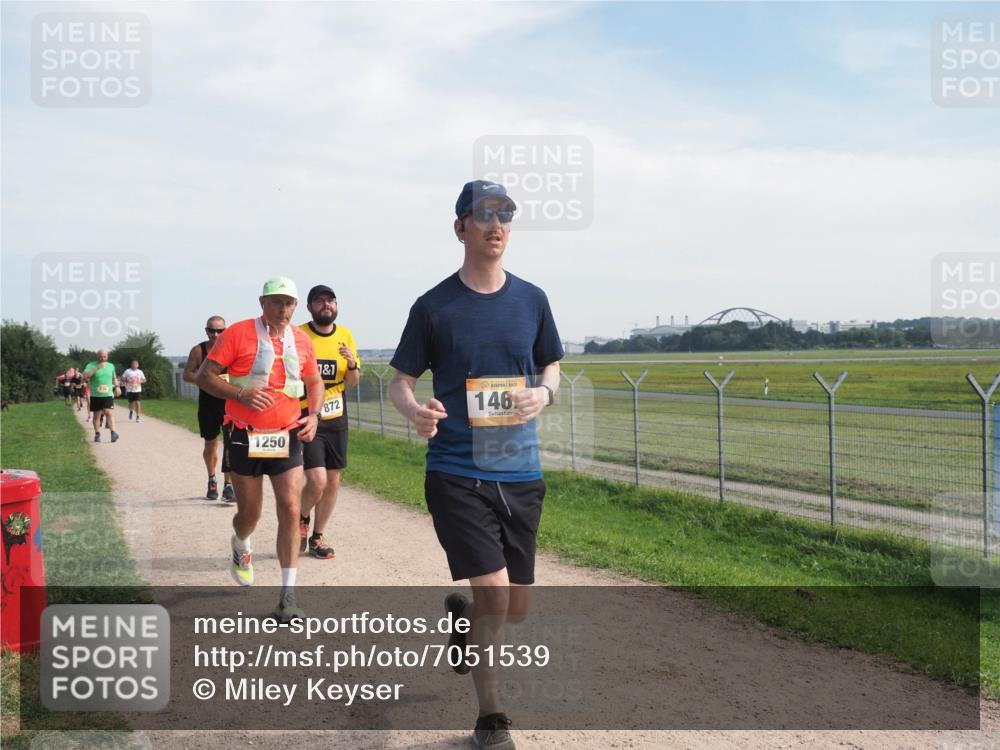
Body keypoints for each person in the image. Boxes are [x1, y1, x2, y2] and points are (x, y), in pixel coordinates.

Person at [388, 180, 563, 750]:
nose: (496, 225)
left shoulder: (532, 299)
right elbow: (401, 382)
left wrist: (545, 393)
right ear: (460, 226)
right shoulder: (433, 306)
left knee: (514, 609)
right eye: (483, 215)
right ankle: (492, 717)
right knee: (494, 594)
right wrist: (415, 411)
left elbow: (551, 365)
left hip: (519, 467)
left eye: (506, 216)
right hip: (456, 469)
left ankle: (463, 620)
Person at [195, 277, 323, 623]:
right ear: (262, 302)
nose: (283, 309)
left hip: (287, 434)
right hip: (244, 434)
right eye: (277, 302)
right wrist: (241, 395)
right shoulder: (236, 334)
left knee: (291, 507)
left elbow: (314, 382)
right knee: (250, 514)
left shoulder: (302, 341)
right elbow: (205, 376)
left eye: (289, 303)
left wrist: (314, 415)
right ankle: (241, 542)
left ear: (296, 306)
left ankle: (288, 595)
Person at [297, 284, 361, 560]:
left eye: (330, 300)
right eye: (320, 301)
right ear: (310, 307)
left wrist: (353, 364)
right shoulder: (299, 334)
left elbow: (352, 382)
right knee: (317, 480)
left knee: (333, 481)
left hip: (336, 416)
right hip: (306, 414)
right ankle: (300, 519)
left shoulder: (345, 335)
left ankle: (318, 535)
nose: (326, 305)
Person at [184, 317, 235, 501]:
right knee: (211, 443)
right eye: (212, 330)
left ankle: (228, 485)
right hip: (208, 403)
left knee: (230, 443)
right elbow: (187, 375)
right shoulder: (199, 350)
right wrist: (206, 378)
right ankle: (212, 479)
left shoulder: (232, 348)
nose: (216, 334)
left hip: (229, 403)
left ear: (226, 331)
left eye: (220, 331)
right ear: (206, 331)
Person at [82, 350, 121, 443]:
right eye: (100, 356)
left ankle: (113, 433)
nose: (102, 358)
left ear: (107, 356)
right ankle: (97, 434)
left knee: (109, 413)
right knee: (97, 415)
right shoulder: (91, 365)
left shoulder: (111, 366)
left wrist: (118, 387)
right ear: (97, 356)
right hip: (96, 395)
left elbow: (114, 378)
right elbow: (85, 376)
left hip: (107, 394)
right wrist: (96, 368)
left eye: (104, 356)